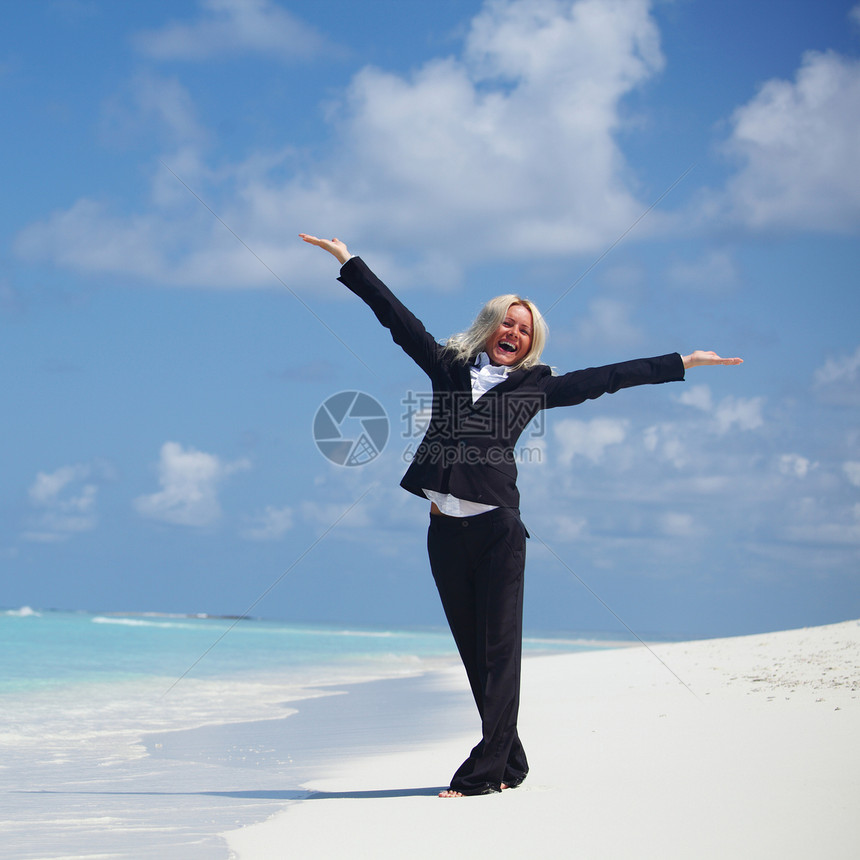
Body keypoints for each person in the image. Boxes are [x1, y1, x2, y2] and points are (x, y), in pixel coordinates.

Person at [300, 233, 742, 797]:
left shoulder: (537, 386)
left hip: (498, 530)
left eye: (524, 329)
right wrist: (349, 262)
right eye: (507, 324)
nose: (514, 333)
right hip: (443, 531)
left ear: (531, 342)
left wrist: (680, 362)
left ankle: (484, 773)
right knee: (471, 651)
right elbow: (397, 319)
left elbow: (606, 378)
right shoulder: (448, 366)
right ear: (489, 327)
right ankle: (510, 761)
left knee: (499, 652)